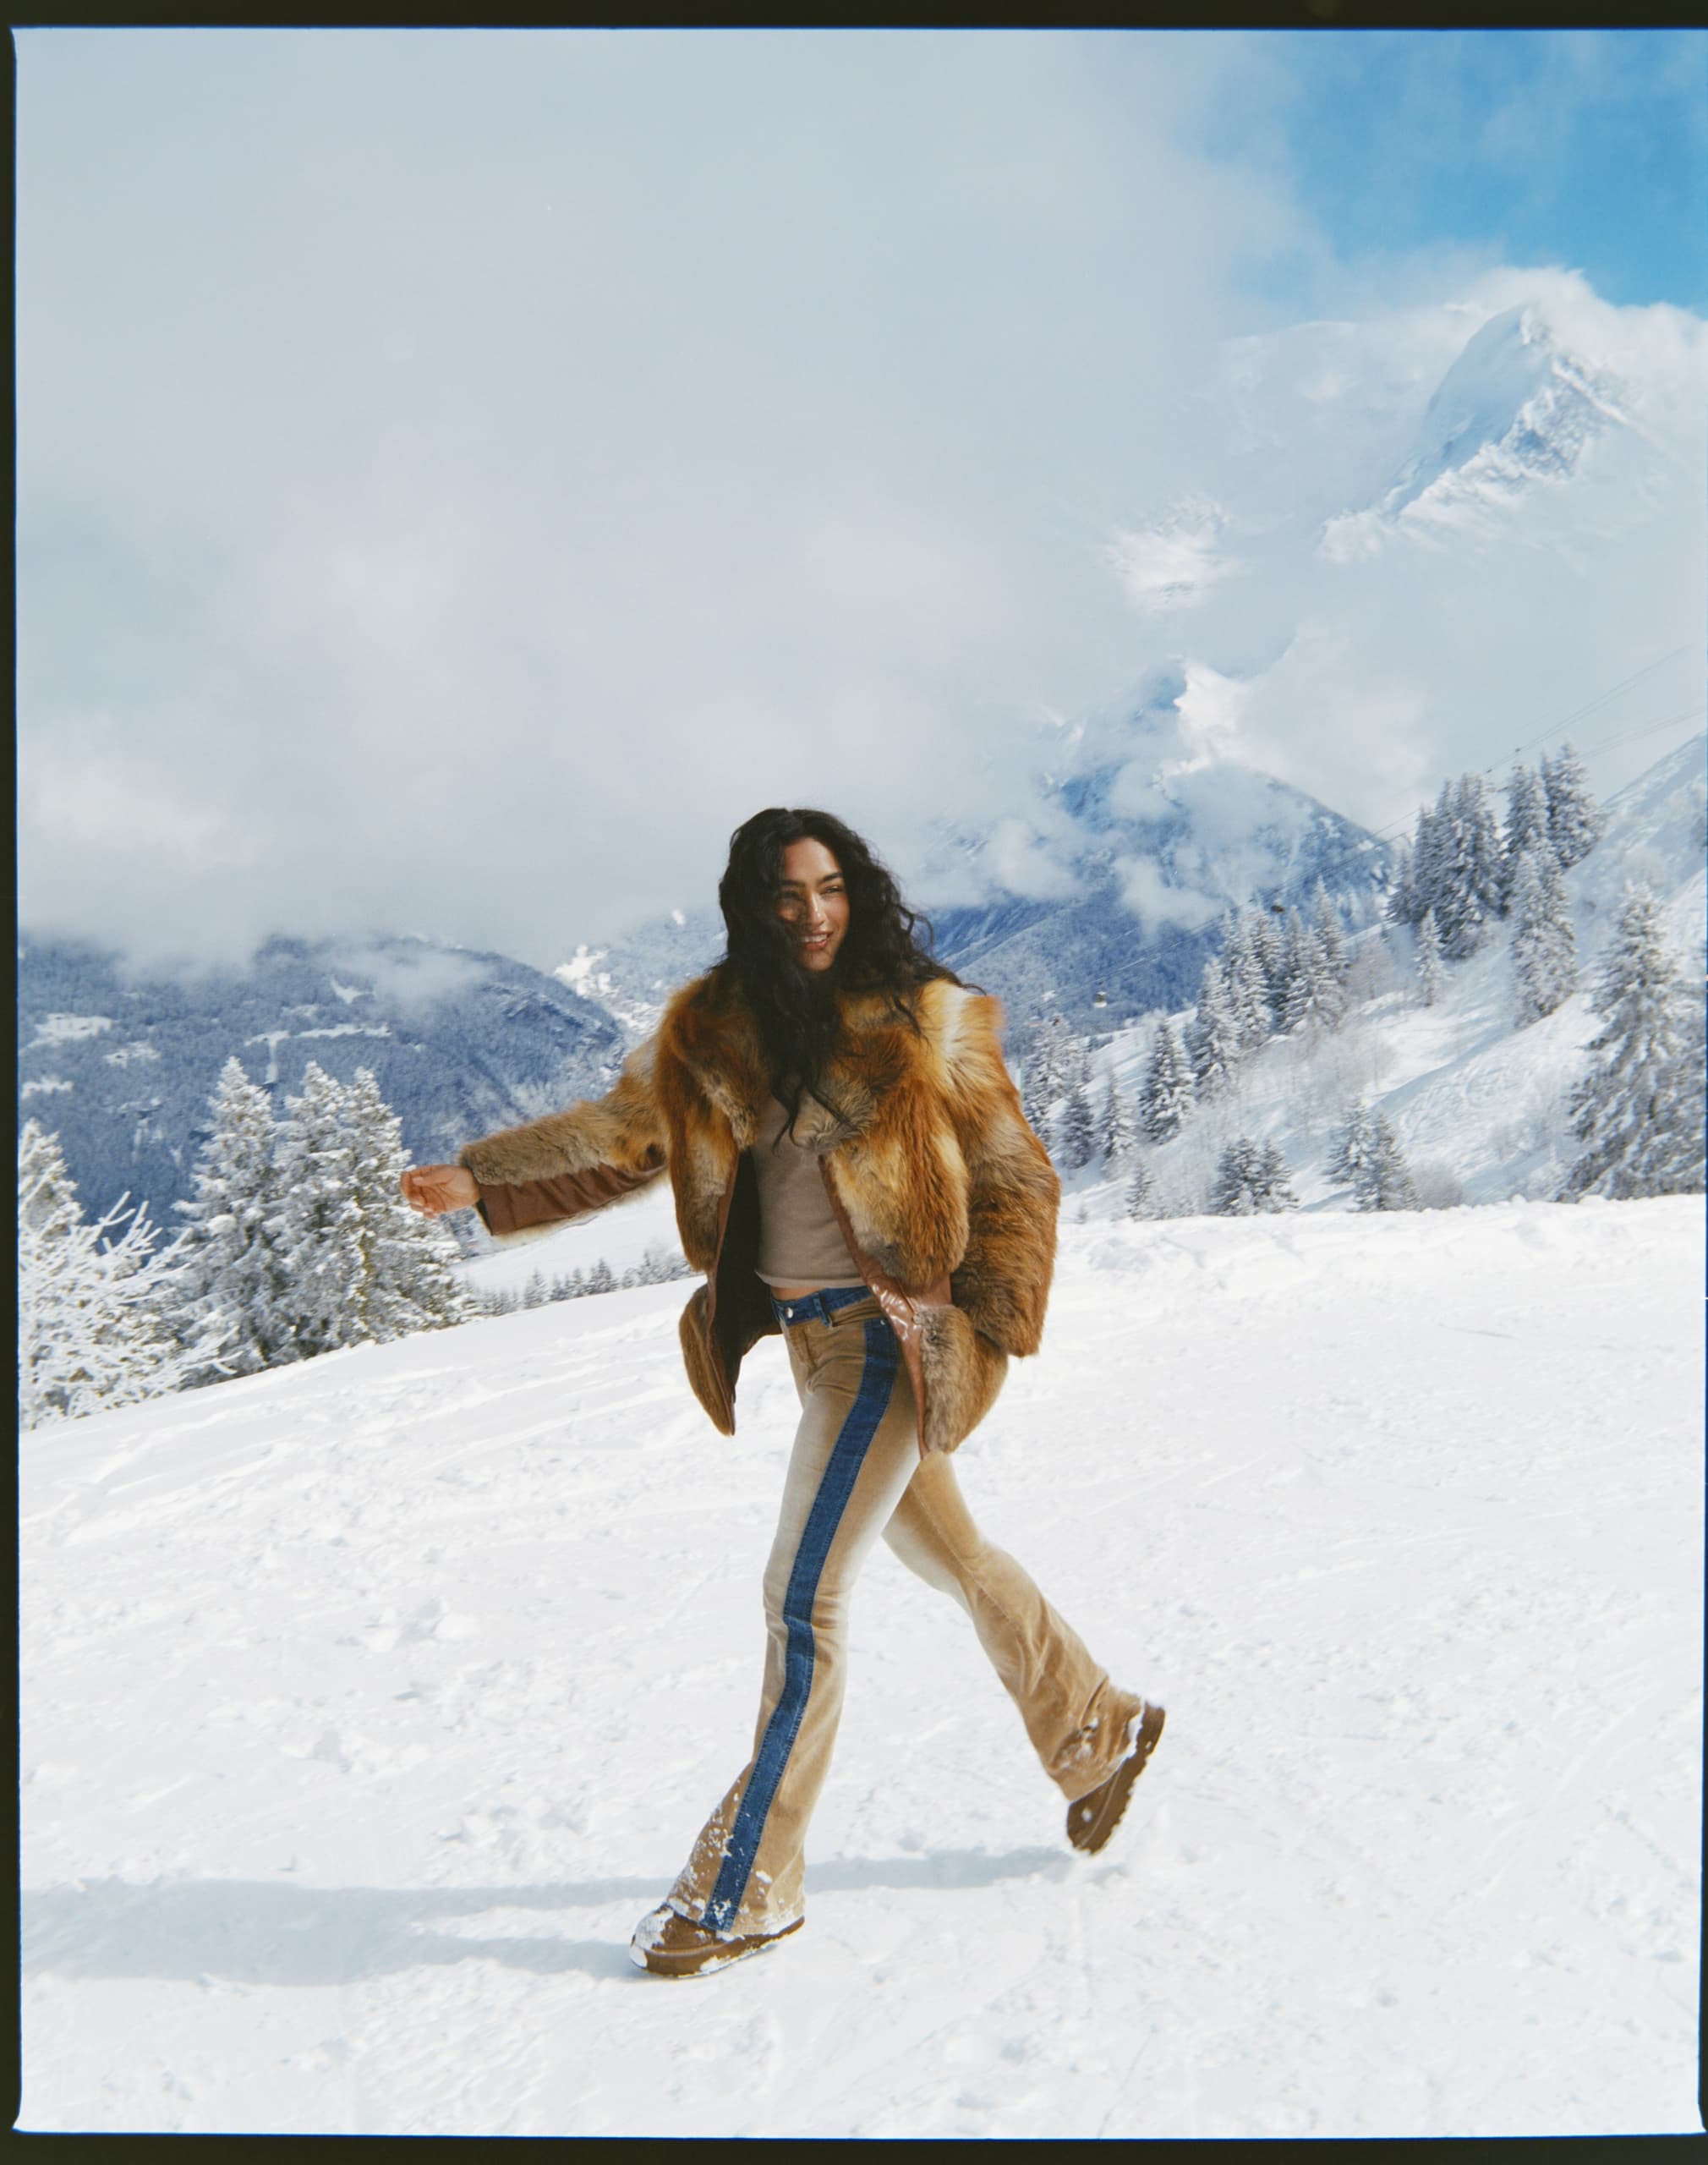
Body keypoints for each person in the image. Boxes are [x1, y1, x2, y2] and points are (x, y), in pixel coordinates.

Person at [402, 808, 1164, 1979]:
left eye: (830, 889)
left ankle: (750, 1881)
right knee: (954, 1558)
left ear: (857, 890)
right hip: (812, 1350)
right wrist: (485, 1181)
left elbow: (1015, 1174)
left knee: (801, 1601)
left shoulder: (928, 1019)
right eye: (787, 897)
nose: (813, 914)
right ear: (754, 910)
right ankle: (1094, 1724)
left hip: (890, 1345)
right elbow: (627, 1136)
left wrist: (987, 1330)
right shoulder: (714, 1027)